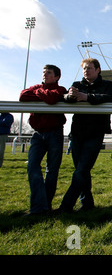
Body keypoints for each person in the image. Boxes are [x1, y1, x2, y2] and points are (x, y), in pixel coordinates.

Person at [57, 58, 112, 213]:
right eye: (84, 68)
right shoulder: (76, 85)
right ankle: (87, 203)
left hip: (95, 133)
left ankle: (66, 206)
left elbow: (111, 98)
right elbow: (64, 98)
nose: (86, 71)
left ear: (98, 70)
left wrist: (87, 97)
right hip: (77, 132)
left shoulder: (108, 85)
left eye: (89, 68)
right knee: (82, 170)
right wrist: (70, 96)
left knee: (81, 170)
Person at [19, 65, 67, 215]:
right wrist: (43, 93)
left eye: (49, 73)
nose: (45, 74)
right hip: (38, 134)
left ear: (57, 77)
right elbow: (22, 96)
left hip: (55, 133)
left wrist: (39, 92)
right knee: (32, 166)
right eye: (44, 72)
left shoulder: (60, 89)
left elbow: (52, 98)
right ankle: (40, 206)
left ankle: (43, 206)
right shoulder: (37, 87)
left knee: (51, 171)